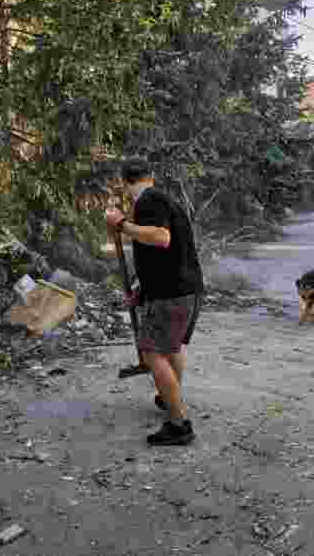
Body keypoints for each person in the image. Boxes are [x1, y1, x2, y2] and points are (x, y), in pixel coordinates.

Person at [105, 158, 204, 446]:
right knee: (172, 348)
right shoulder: (163, 199)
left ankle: (179, 423)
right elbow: (165, 253)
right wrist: (142, 289)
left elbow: (161, 238)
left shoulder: (148, 199)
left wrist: (122, 224)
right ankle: (168, 397)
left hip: (172, 294)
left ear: (125, 181)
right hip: (184, 290)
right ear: (150, 175)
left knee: (152, 352)